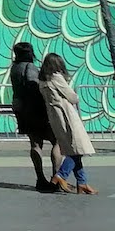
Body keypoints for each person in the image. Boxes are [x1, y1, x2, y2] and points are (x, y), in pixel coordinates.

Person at [38, 53, 95, 194]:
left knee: (74, 149)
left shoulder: (43, 81)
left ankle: (82, 182)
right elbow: (72, 97)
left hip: (55, 118)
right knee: (76, 149)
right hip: (67, 116)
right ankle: (60, 175)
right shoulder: (56, 77)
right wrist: (75, 96)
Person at [9, 41, 61, 190]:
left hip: (22, 109)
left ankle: (40, 178)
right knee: (56, 141)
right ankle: (55, 177)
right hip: (37, 110)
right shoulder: (30, 67)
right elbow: (34, 86)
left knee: (35, 144)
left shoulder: (15, 68)